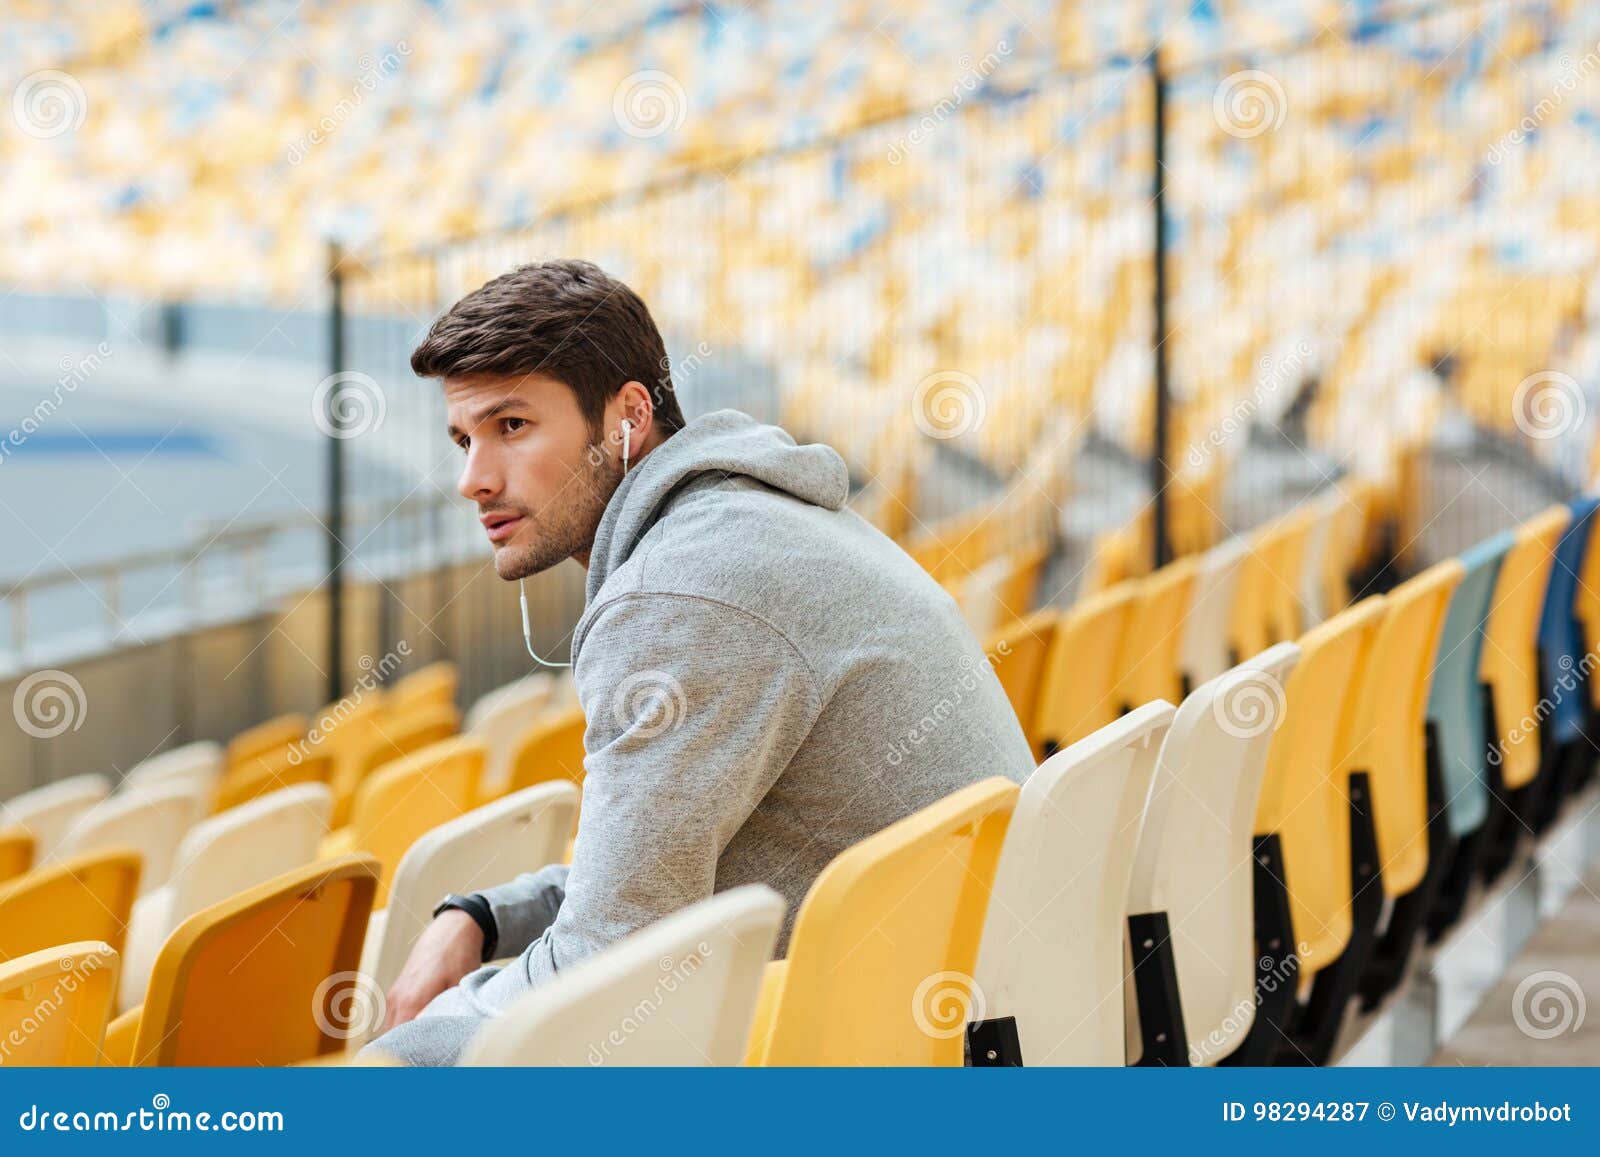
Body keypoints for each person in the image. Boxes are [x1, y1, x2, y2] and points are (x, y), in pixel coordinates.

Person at [363, 259, 1035, 1065]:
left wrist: (396, 1059)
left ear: (627, 418)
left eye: (512, 426)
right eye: (464, 439)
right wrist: (486, 915)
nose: (474, 479)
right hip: (981, 1017)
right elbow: (655, 874)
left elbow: (606, 964)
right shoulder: (747, 525)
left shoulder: (682, 597)